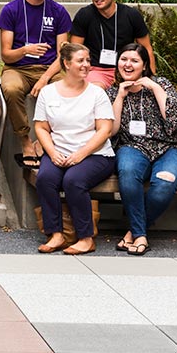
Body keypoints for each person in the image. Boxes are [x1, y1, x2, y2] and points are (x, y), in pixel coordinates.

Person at [107, 44, 177, 256]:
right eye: (124, 59)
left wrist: (155, 88)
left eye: (134, 61)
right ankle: (140, 236)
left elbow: (174, 121)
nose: (128, 64)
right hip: (132, 146)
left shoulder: (162, 83)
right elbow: (112, 131)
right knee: (127, 172)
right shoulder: (111, 91)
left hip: (172, 147)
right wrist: (120, 96)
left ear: (144, 65)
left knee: (164, 184)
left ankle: (135, 233)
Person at [34, 43, 116, 256]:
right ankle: (56, 234)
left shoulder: (97, 93)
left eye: (88, 60)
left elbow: (105, 130)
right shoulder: (48, 93)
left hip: (95, 154)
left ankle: (86, 238)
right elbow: (41, 127)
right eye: (81, 61)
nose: (86, 65)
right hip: (59, 151)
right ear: (66, 64)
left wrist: (80, 154)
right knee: (45, 178)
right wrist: (52, 153)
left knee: (73, 181)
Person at [0, 0, 72, 169]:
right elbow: (6, 55)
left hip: (49, 68)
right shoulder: (11, 10)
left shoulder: (58, 11)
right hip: (18, 68)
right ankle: (25, 140)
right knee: (11, 89)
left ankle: (51, 140)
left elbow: (62, 55)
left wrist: (45, 78)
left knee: (67, 89)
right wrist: (25, 51)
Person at [69, 0, 155, 88]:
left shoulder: (131, 15)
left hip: (126, 68)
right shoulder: (85, 14)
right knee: (96, 89)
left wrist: (151, 78)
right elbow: (74, 50)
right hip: (96, 70)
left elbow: (147, 48)